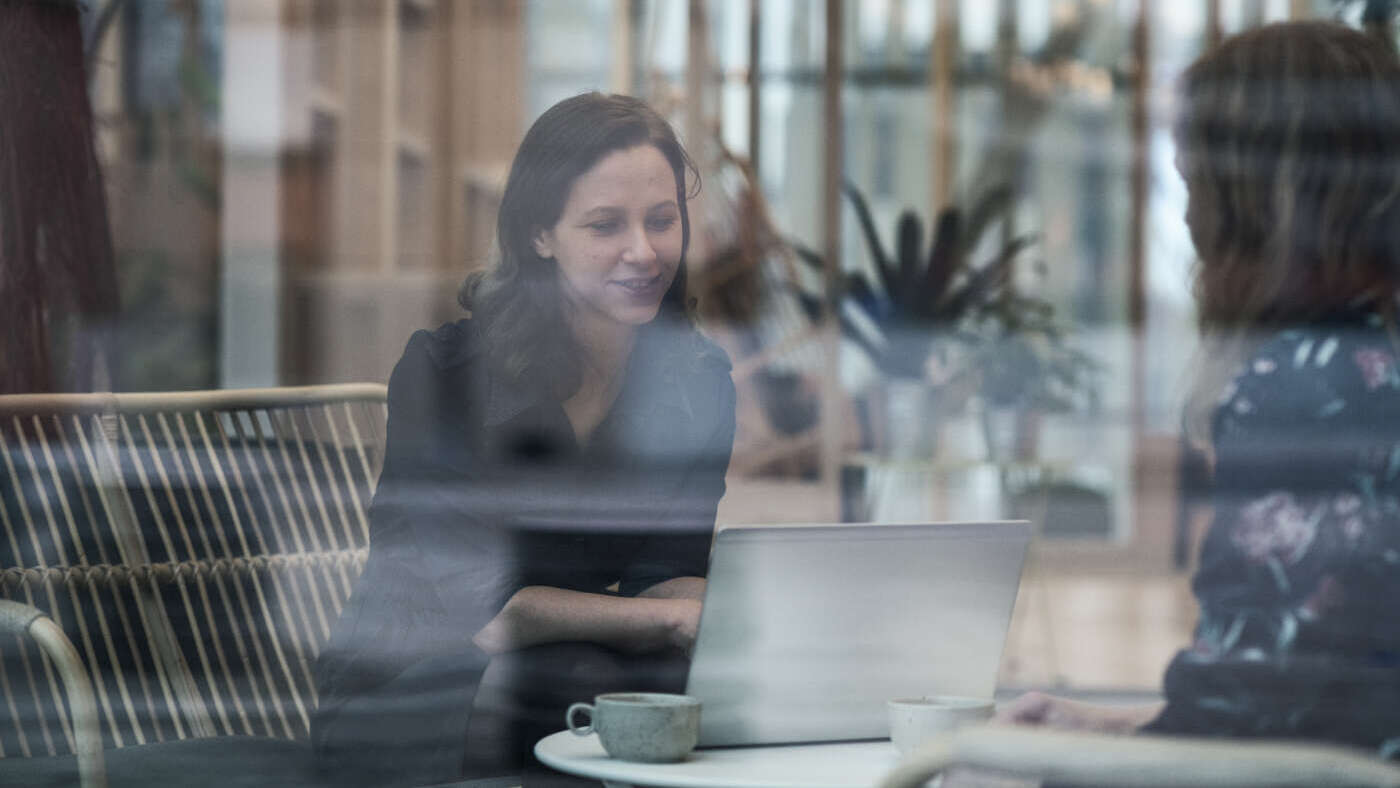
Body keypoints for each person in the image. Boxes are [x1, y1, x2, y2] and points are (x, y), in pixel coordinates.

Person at [997, 21, 1400, 760]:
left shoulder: (1310, 383)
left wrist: (1049, 765)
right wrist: (1105, 729)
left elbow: (1239, 731)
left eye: (1197, 189)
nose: (1189, 222)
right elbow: (1305, 702)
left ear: (1261, 204)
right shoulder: (1376, 354)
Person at [312, 93, 736, 786]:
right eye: (606, 225)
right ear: (540, 235)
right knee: (601, 682)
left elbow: (671, 575)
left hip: (569, 666)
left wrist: (696, 621)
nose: (644, 251)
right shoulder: (444, 375)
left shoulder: (696, 382)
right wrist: (666, 622)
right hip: (408, 693)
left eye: (662, 220)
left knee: (686, 683)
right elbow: (489, 611)